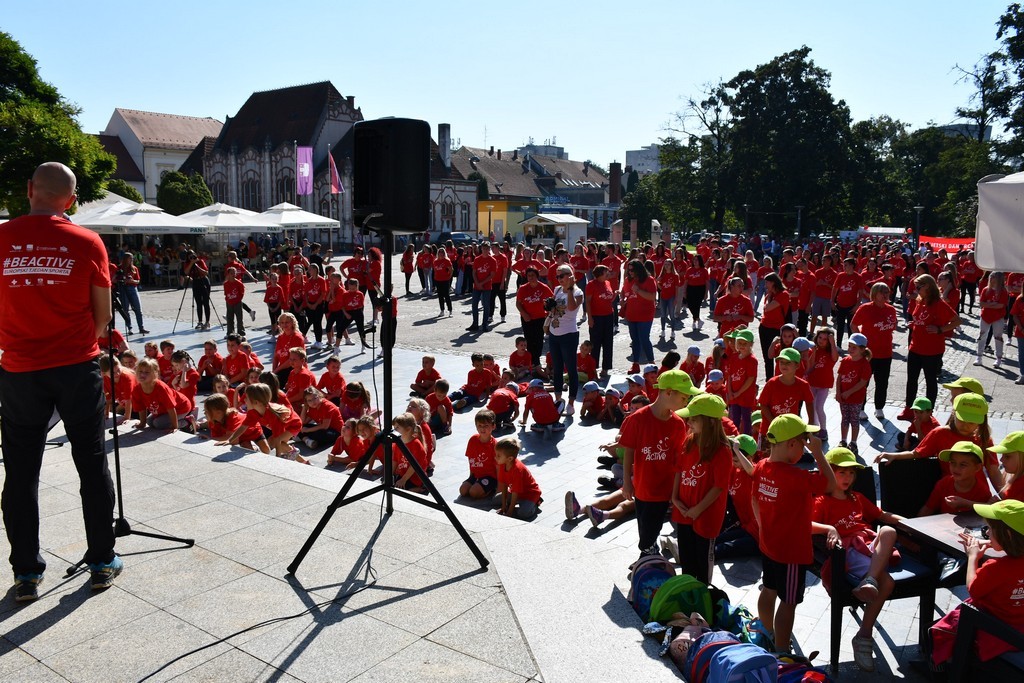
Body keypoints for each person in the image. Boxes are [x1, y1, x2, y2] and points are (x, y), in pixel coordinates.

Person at [0, 163, 122, 597]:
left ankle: (26, 571)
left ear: (28, 189)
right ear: (70, 201)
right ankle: (102, 561)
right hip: (76, 367)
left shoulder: (1, 239)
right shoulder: (87, 241)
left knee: (20, 472)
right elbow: (103, 318)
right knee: (91, 463)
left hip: (18, 370)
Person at [811, 447, 904, 672]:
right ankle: (864, 636)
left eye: (851, 473)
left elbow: (881, 516)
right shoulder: (822, 501)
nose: (848, 477)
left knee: (889, 532)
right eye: (841, 472)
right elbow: (807, 525)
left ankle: (870, 580)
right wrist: (829, 529)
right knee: (888, 583)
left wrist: (908, 522)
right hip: (847, 551)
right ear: (829, 473)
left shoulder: (857, 498)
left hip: (867, 545)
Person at [752, 415, 837, 654]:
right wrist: (819, 453)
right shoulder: (797, 477)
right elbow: (831, 485)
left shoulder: (761, 467)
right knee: (788, 602)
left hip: (768, 545)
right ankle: (781, 649)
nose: (805, 447)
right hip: (791, 552)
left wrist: (762, 527)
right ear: (791, 444)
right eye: (803, 442)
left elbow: (755, 500)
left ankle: (766, 634)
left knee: (768, 590)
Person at [923, 499, 1024, 675]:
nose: (987, 534)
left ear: (1007, 535)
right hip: (1019, 624)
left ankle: (941, 666)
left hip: (996, 630)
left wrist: (973, 558)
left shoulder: (996, 568)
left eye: (989, 530)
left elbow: (973, 589)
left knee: (940, 629)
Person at [620, 370, 701, 555]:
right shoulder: (637, 419)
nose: (686, 402)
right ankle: (649, 554)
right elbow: (629, 451)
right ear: (669, 392)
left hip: (663, 491)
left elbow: (678, 460)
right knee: (644, 528)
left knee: (649, 531)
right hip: (642, 487)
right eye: (684, 397)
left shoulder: (678, 424)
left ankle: (647, 559)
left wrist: (675, 493)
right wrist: (626, 481)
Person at [671, 394, 733, 584]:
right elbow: (679, 471)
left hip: (705, 515)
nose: (689, 422)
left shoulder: (722, 450)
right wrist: (674, 498)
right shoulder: (689, 441)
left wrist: (698, 509)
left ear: (711, 423)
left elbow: (719, 487)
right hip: (684, 510)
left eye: (694, 419)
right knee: (687, 559)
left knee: (702, 561)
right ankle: (687, 592)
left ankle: (702, 595)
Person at [904, 274, 960, 412]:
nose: (916, 290)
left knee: (930, 380)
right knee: (911, 379)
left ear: (927, 286)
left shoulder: (939, 304)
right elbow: (921, 319)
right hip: (915, 346)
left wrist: (940, 329)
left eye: (918, 287)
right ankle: (908, 408)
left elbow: (957, 321)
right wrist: (915, 324)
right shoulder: (919, 300)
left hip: (932, 349)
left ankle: (929, 411)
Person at [851, 282, 899, 419]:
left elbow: (892, 326)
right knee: (863, 382)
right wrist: (861, 343)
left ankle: (879, 407)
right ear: (874, 293)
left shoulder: (891, 309)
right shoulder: (865, 308)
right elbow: (853, 325)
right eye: (882, 292)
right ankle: (860, 408)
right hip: (868, 353)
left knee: (882, 382)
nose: (885, 295)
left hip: (885, 352)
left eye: (887, 292)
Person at [547, 265, 584, 416]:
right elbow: (553, 310)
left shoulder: (578, 292)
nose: (559, 279)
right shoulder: (556, 290)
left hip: (569, 334)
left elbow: (572, 306)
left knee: (571, 368)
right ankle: (558, 399)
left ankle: (571, 403)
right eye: (558, 277)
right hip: (554, 333)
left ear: (570, 275)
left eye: (562, 276)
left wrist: (569, 290)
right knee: (557, 368)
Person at [836, 334, 872, 453]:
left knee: (854, 420)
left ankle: (854, 442)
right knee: (844, 419)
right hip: (844, 397)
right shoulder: (845, 360)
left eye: (854, 347)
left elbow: (862, 382)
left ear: (862, 350)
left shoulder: (864, 364)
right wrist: (838, 392)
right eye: (849, 346)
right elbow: (839, 377)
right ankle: (843, 440)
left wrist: (849, 392)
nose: (850, 349)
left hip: (856, 398)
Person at [495, 436, 542, 519]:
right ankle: (519, 503)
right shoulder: (503, 464)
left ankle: (535, 503)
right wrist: (503, 506)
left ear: (509, 458)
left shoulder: (517, 470)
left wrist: (509, 512)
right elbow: (505, 485)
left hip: (530, 494)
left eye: (498, 456)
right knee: (495, 499)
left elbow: (515, 493)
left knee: (523, 513)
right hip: (516, 492)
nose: (495, 457)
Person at [460, 409, 498, 500]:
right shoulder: (473, 440)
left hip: (490, 476)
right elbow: (471, 459)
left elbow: (498, 468)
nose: (482, 428)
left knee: (473, 493)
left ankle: (491, 488)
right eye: (479, 425)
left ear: (493, 426)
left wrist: (499, 487)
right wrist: (470, 476)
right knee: (463, 490)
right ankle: (478, 485)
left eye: (486, 426)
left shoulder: (494, 445)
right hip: (476, 475)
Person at [976, 271, 1009, 368]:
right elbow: (981, 303)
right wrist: (992, 305)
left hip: (998, 317)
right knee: (982, 335)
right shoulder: (986, 290)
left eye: (994, 277)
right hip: (986, 316)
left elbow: (1001, 305)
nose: (991, 278)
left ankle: (998, 358)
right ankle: (979, 356)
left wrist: (989, 305)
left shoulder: (1003, 291)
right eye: (991, 276)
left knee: (998, 337)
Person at [116, 252, 148, 335]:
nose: (131, 260)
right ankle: (129, 327)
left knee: (138, 308)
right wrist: (121, 280)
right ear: (125, 259)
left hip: (132, 288)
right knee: (125, 309)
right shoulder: (119, 268)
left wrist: (132, 281)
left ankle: (141, 327)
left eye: (132, 258)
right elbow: (115, 278)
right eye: (130, 258)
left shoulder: (134, 268)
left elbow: (138, 281)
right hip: (123, 288)